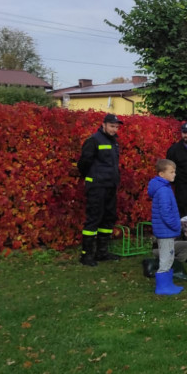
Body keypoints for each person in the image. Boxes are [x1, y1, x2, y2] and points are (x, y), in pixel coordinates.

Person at [76, 113, 123, 266]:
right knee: (93, 219)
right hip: (97, 186)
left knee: (108, 218)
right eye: (112, 126)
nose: (114, 129)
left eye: (116, 127)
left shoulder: (115, 142)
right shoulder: (93, 140)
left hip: (110, 186)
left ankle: (102, 253)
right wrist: (93, 177)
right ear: (103, 125)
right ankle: (86, 255)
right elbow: (83, 164)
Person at [146, 159, 187, 295]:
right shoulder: (164, 191)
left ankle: (168, 283)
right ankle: (162, 286)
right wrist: (175, 224)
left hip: (165, 230)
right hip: (166, 231)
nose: (174, 174)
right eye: (171, 172)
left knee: (169, 256)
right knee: (166, 257)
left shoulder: (164, 188)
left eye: (174, 171)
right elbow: (166, 213)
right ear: (161, 174)